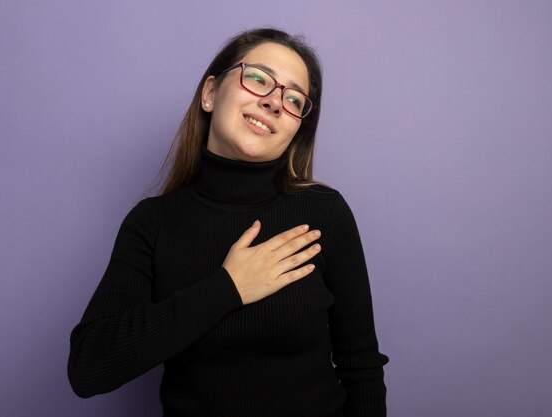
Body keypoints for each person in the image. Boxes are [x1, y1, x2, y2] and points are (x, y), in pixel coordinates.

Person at [67, 27, 389, 417]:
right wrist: (229, 287)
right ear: (209, 93)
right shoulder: (152, 224)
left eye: (293, 99)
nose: (274, 102)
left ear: (296, 128)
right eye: (257, 78)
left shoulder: (324, 212)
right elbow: (89, 368)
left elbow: (361, 366)